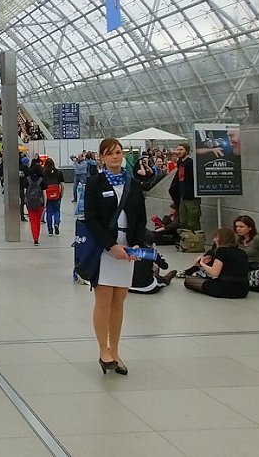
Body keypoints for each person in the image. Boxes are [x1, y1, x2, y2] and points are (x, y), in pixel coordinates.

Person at [84, 138, 146, 376]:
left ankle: (116, 349)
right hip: (104, 248)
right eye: (110, 154)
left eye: (118, 152)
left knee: (119, 300)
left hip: (127, 247)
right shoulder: (94, 184)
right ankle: (103, 349)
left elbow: (140, 217)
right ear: (101, 157)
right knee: (104, 298)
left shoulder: (133, 184)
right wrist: (111, 245)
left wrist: (136, 244)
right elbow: (91, 219)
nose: (115, 157)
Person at [185, 228, 249, 299]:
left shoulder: (221, 251)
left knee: (189, 281)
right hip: (243, 290)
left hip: (225, 288)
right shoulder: (242, 252)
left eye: (216, 237)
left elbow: (214, 273)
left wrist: (202, 263)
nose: (214, 240)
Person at [169, 142, 201, 231]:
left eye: (181, 150)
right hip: (182, 197)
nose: (179, 152)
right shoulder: (180, 163)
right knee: (183, 221)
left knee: (193, 221)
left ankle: (197, 240)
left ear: (187, 151)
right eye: (178, 149)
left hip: (191, 197)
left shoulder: (190, 163)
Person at [42, 158, 65, 236]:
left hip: (47, 196)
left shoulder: (43, 173)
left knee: (49, 212)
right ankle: (56, 223)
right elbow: (62, 185)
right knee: (57, 211)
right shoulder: (59, 172)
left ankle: (50, 230)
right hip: (56, 195)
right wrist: (61, 194)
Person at [24, 160, 45, 246]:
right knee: (38, 220)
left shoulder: (27, 180)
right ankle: (37, 236)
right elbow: (44, 193)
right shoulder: (42, 180)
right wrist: (45, 204)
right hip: (39, 203)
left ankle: (35, 238)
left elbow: (25, 191)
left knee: (32, 220)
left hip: (30, 203)